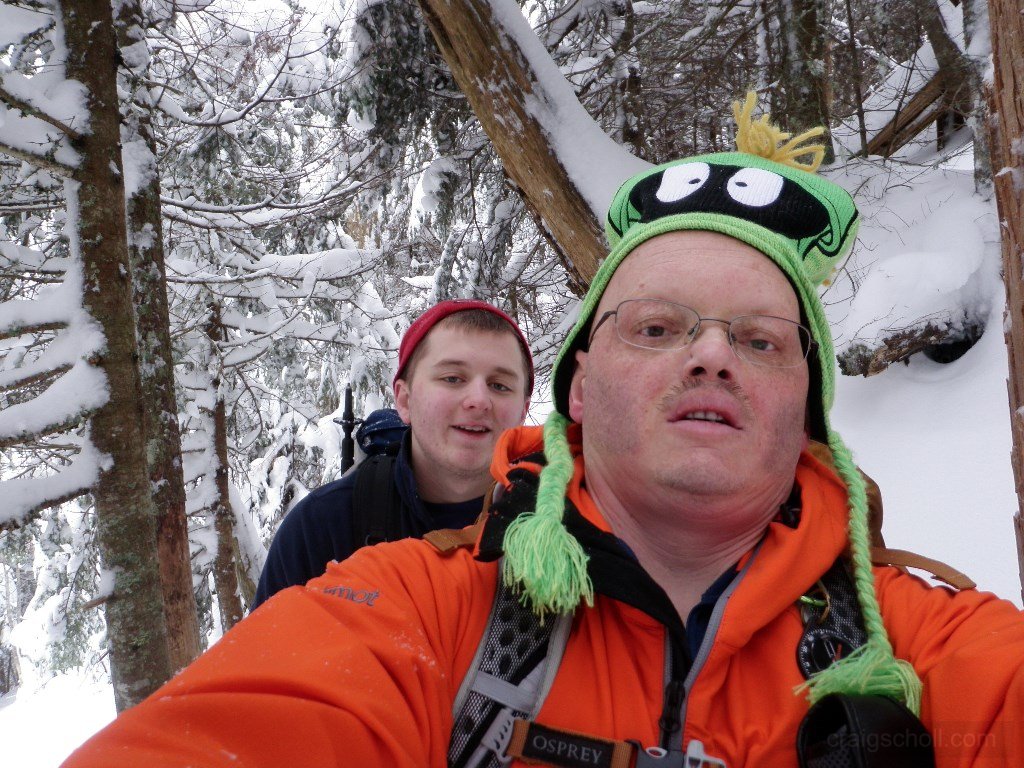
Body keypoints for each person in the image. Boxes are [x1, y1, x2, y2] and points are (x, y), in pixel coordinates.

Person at [65, 96, 1024, 767]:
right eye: (657, 328)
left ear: (808, 409)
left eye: (764, 341)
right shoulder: (417, 609)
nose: (713, 357)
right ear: (577, 388)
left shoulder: (925, 645)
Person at [250, 299, 533, 609]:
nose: (479, 400)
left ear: (523, 410)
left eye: (500, 385)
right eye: (452, 378)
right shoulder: (322, 528)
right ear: (404, 400)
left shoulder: (564, 523)